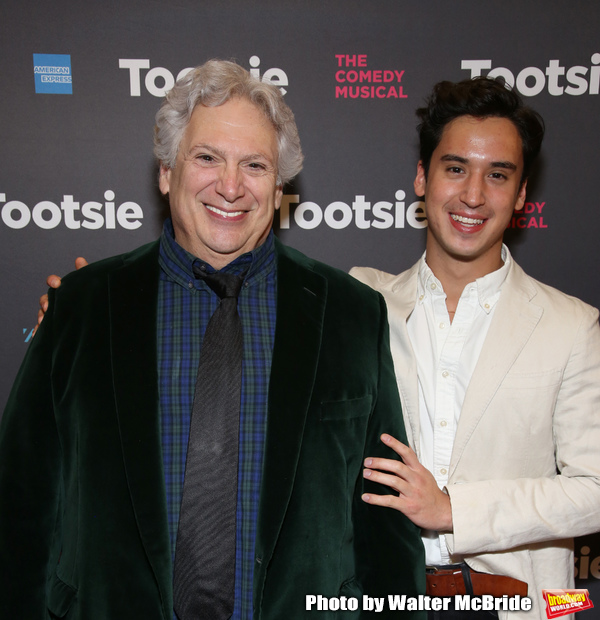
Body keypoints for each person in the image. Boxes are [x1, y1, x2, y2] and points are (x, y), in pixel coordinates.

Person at [0, 60, 425, 620]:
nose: (230, 185)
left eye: (254, 165)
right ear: (166, 172)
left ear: (278, 188)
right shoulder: (82, 306)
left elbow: (385, 525)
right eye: (207, 158)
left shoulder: (351, 313)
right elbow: (22, 513)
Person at [352, 77, 600, 619]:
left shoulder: (572, 327)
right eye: (455, 168)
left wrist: (454, 510)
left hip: (523, 606)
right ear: (422, 176)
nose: (472, 195)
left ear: (521, 195)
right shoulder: (364, 304)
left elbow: (595, 488)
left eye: (498, 175)